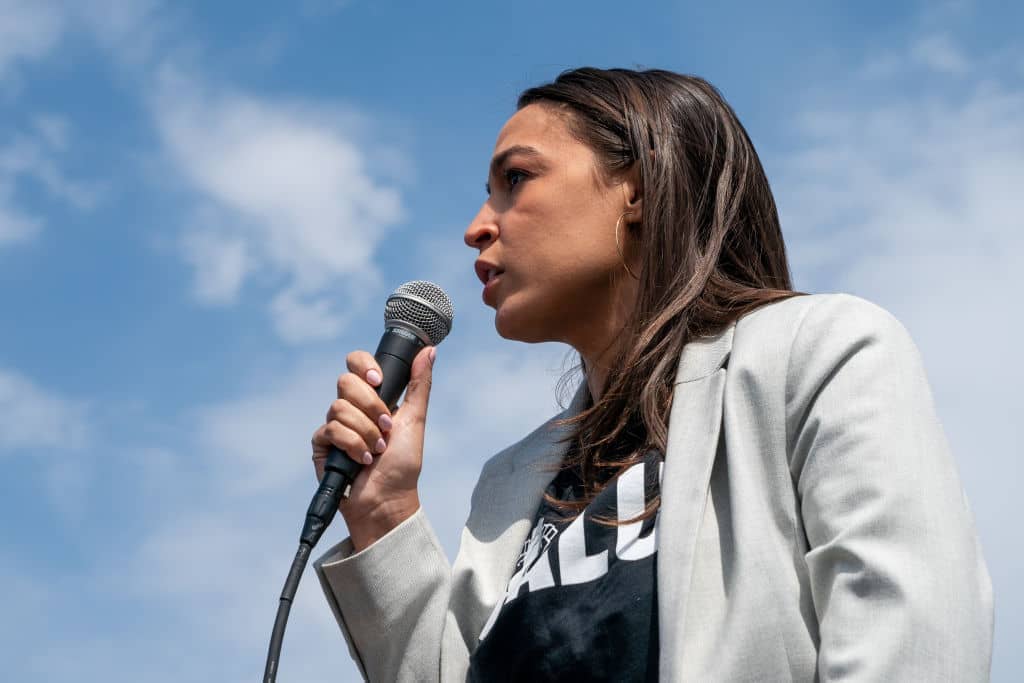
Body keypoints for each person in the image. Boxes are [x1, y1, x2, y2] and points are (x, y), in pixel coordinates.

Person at [309, 67, 993, 681]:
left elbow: (911, 641)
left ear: (637, 187)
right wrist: (383, 513)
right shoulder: (510, 483)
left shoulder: (820, 354)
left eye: (515, 179)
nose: (476, 227)